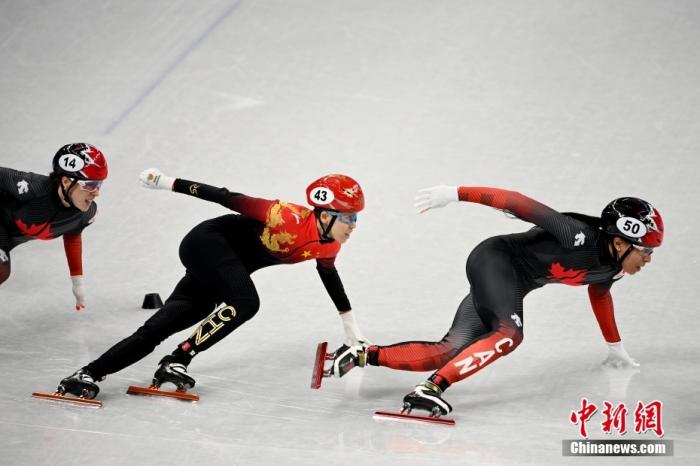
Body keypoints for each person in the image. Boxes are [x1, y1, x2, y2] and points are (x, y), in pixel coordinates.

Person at [333, 185, 663, 417]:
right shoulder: (577, 234)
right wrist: (455, 193)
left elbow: (599, 294)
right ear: (621, 242)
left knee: (446, 351)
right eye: (646, 250)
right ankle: (430, 390)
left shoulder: (613, 269)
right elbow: (517, 202)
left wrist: (614, 347)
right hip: (495, 260)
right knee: (509, 334)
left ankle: (360, 355)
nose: (648, 259)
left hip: (511, 285)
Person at [56, 168, 368, 399]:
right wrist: (167, 183)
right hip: (207, 243)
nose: (353, 226)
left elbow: (329, 276)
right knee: (246, 302)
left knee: (165, 324)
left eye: (355, 219)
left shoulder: (331, 244)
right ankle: (180, 357)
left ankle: (89, 373)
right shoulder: (284, 216)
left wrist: (351, 328)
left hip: (222, 269)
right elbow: (225, 197)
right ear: (326, 215)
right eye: (348, 218)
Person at [0, 143, 108, 310]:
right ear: (66, 181)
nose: (96, 192)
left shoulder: (85, 214)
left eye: (99, 185)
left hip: (5, 239)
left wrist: (77, 282)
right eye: (90, 185)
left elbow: (72, 236)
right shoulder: (31, 187)